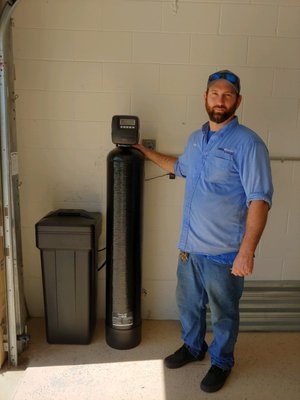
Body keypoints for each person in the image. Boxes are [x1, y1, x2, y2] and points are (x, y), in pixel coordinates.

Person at [134, 70, 273, 393]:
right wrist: (145, 152)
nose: (220, 101)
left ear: (238, 101)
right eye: (214, 94)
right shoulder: (196, 140)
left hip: (225, 252)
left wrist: (247, 251)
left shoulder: (249, 144)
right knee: (188, 305)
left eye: (227, 95)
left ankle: (222, 362)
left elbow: (259, 201)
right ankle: (193, 347)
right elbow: (179, 167)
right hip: (189, 248)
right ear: (205, 97)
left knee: (224, 313)